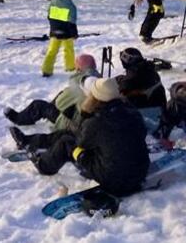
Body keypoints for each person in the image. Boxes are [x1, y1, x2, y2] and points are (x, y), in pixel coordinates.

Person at [21, 78, 150, 198]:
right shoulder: (132, 112)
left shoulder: (97, 120)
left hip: (112, 180)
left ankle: (43, 166)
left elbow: (81, 143)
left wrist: (85, 114)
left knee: (66, 142)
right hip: (140, 173)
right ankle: (38, 142)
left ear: (95, 98)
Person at [6, 54, 99, 131]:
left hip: (70, 120)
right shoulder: (99, 82)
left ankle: (19, 119)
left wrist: (54, 104)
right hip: (86, 118)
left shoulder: (80, 83)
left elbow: (60, 103)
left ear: (79, 68)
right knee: (61, 93)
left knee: (38, 105)